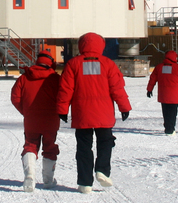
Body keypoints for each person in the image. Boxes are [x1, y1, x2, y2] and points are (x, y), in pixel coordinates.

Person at [56, 33, 132, 194]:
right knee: (105, 142)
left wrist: (62, 110)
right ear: (101, 45)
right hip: (103, 114)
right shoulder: (108, 64)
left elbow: (65, 89)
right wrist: (124, 107)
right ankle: (102, 171)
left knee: (84, 148)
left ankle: (85, 183)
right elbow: (117, 89)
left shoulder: (73, 64)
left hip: (82, 113)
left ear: (82, 45)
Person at [10, 52, 61, 191]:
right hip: (51, 120)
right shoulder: (55, 79)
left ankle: (30, 175)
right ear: (51, 63)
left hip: (31, 119)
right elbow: (64, 96)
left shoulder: (24, 78)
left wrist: (26, 111)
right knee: (50, 147)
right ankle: (48, 180)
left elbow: (15, 97)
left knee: (30, 145)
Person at [147, 50, 178, 135]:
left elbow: (152, 79)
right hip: (174, 96)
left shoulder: (159, 67)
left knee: (165, 112)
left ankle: (167, 127)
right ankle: (170, 129)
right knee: (173, 113)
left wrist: (149, 89)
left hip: (163, 95)